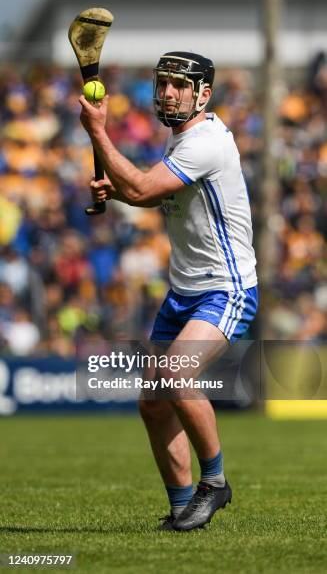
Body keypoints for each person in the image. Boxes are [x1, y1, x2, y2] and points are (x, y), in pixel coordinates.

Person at [79, 51, 258, 532]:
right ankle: (182, 507)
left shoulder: (205, 142)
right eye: (163, 83)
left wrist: (98, 131)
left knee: (177, 374)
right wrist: (115, 191)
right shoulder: (181, 142)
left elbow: (141, 191)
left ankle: (215, 482)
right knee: (154, 402)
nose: (168, 92)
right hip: (183, 291)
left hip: (226, 287)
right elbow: (152, 193)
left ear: (204, 93)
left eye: (180, 85)